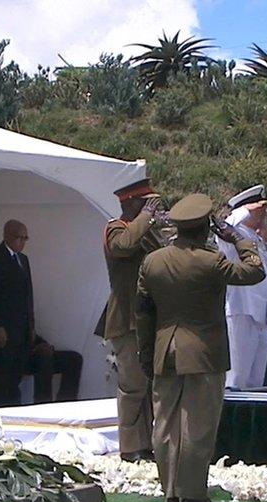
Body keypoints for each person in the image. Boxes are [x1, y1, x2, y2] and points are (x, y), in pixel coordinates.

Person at [137, 193, 266, 502]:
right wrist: (237, 239)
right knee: (198, 424)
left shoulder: (152, 261)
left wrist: (146, 351)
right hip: (204, 352)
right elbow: (255, 271)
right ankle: (192, 493)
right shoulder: (211, 261)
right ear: (206, 228)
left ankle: (170, 491)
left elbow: (143, 312)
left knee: (164, 424)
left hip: (165, 349)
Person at [100, 178, 165, 462]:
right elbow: (124, 246)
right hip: (126, 319)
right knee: (132, 385)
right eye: (145, 203)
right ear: (131, 203)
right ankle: (129, 446)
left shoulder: (145, 232)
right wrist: (146, 217)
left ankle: (146, 443)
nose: (150, 208)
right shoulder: (117, 228)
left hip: (148, 319)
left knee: (150, 385)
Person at [218, 184, 267, 389]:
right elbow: (224, 224)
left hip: (261, 315)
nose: (264, 212)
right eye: (260, 208)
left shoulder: (255, 238)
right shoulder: (231, 234)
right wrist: (245, 210)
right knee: (238, 377)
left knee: (256, 381)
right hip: (242, 311)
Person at [0, 219, 35, 407]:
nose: (23, 242)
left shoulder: (23, 260)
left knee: (14, 378)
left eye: (26, 238)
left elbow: (28, 296)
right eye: (20, 238)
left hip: (20, 329)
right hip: (2, 328)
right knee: (0, 379)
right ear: (8, 236)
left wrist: (30, 326)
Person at [26, 334, 83, 404]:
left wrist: (43, 344)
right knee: (44, 360)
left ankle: (65, 405)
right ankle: (43, 407)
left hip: (30, 353)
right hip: (16, 359)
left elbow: (30, 334)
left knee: (74, 360)